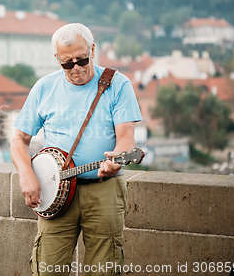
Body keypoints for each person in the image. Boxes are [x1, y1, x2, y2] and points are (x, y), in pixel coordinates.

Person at [10, 23, 142, 276]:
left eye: (81, 60)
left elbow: (127, 139)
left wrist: (117, 160)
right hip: (55, 192)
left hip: (103, 190)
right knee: (48, 269)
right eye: (67, 63)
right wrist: (27, 174)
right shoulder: (44, 87)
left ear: (92, 50)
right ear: (57, 59)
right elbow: (18, 139)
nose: (76, 69)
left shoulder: (118, 84)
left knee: (104, 270)